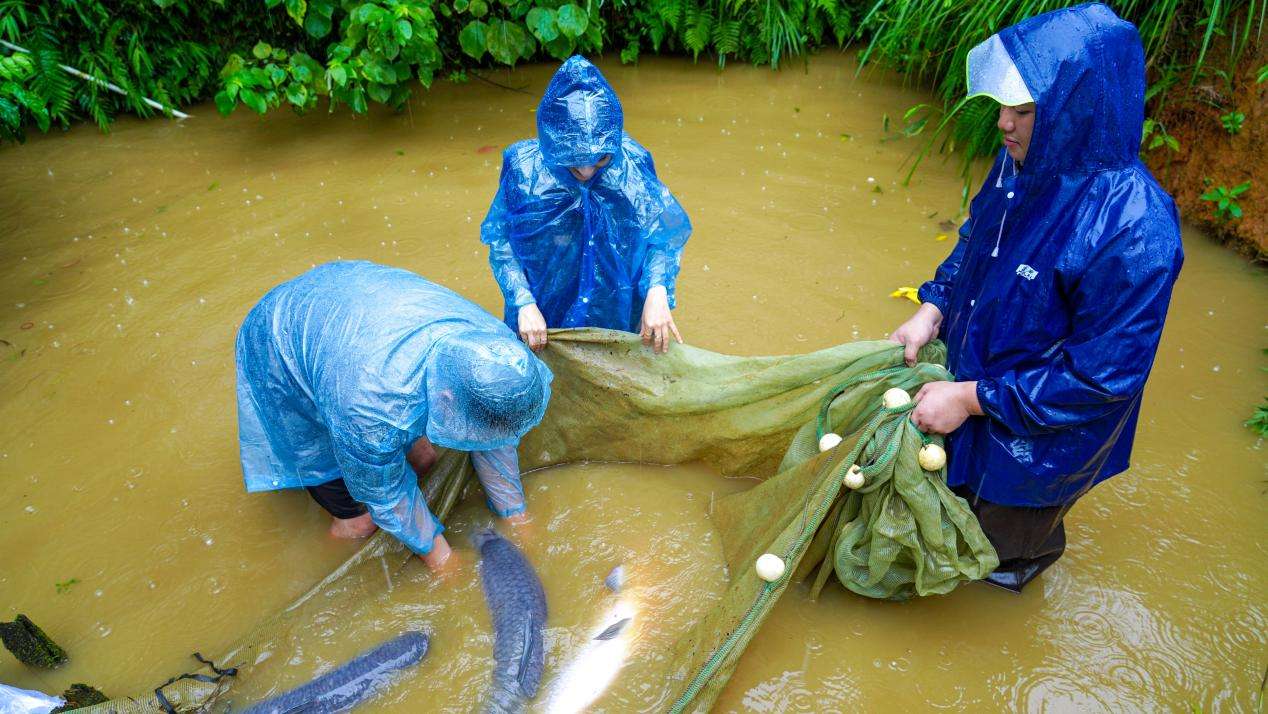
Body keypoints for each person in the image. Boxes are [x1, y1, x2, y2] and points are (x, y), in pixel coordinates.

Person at [889, 3, 1184, 592]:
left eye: (1025, 111)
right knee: (946, 525)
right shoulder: (1022, 163)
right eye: (1005, 105)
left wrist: (971, 399)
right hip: (969, 390)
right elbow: (976, 242)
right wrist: (933, 309)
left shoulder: (1136, 231)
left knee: (998, 561)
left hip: (1039, 442)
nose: (1003, 123)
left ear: (1076, 113)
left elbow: (1101, 381)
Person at [234, 261, 552, 572]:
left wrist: (516, 516)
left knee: (424, 461)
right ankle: (330, 559)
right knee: (361, 523)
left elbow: (494, 436)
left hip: (359, 304)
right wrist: (442, 559)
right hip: (280, 343)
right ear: (447, 396)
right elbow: (385, 497)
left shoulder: (495, 349)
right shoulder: (370, 410)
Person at [480, 55, 692, 354]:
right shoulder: (522, 170)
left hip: (617, 312)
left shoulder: (632, 166)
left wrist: (657, 289)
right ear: (552, 145)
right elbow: (500, 240)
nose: (588, 173)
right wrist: (523, 302)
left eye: (600, 160)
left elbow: (663, 236)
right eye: (573, 165)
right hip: (540, 317)